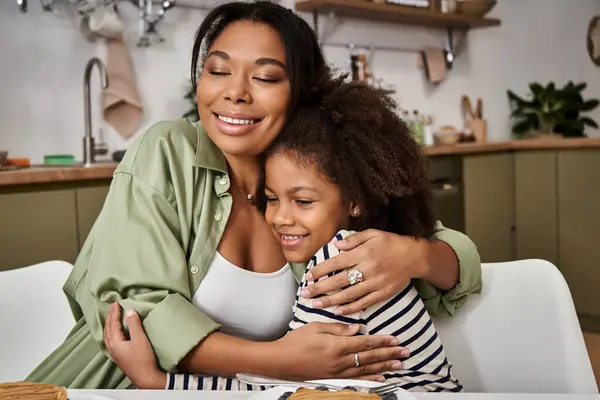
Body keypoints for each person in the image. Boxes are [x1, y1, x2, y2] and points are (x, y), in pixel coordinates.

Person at [27, 0, 481, 390]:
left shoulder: (319, 175)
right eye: (218, 70)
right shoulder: (167, 151)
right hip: (115, 388)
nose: (234, 93)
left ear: (300, 92)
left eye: (264, 78)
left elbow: (456, 256)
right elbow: (137, 316)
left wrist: (413, 255)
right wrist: (283, 362)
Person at [105, 80, 464, 392]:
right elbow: (291, 377)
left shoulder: (338, 266)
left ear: (354, 201)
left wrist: (162, 384)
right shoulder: (359, 246)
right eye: (272, 199)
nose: (279, 218)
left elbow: (277, 387)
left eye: (303, 201)